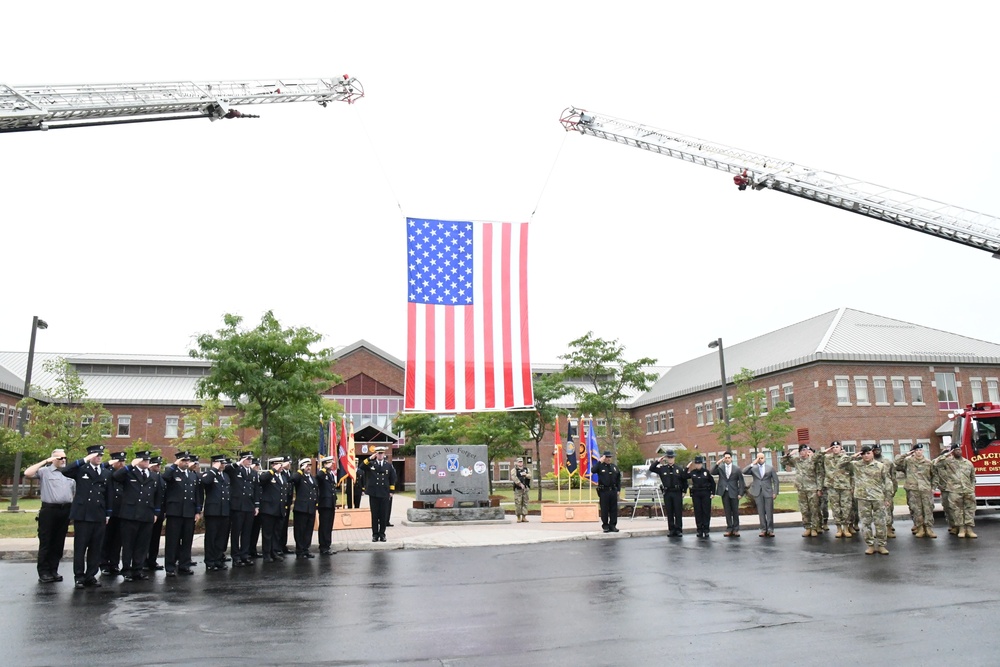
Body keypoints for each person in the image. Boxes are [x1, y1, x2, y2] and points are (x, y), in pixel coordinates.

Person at [57, 444, 114, 588]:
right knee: (80, 547)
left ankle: (91, 575)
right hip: (83, 514)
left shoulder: (106, 473)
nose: (99, 458)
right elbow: (65, 470)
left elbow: (109, 495)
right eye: (96, 455)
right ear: (90, 456)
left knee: (96, 547)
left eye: (101, 455)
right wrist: (83, 460)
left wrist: (108, 513)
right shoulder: (81, 469)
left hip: (99, 514)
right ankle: (79, 576)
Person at [23, 448, 75, 583]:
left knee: (58, 543)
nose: (63, 460)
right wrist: (45, 461)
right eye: (60, 458)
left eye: (65, 458)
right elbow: (27, 473)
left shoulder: (68, 473)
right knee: (46, 542)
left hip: (65, 510)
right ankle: (44, 572)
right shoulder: (45, 471)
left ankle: (53, 570)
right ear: (53, 459)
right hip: (49, 510)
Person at [113, 451, 160, 582]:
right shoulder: (129, 473)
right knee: (128, 544)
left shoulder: (154, 476)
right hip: (130, 514)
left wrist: (156, 512)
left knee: (142, 544)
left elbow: (157, 495)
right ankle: (127, 569)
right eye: (144, 460)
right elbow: (116, 476)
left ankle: (138, 569)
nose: (146, 462)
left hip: (146, 514)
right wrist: (129, 466)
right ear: (138, 461)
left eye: (148, 460)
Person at [839, 445, 892, 555]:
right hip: (863, 498)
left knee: (880, 522)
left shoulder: (880, 466)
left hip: (878, 497)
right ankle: (870, 545)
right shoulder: (856, 465)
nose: (866, 456)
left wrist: (887, 497)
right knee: (866, 523)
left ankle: (881, 545)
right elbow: (840, 464)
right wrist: (853, 456)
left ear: (872, 453)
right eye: (864, 454)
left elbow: (887, 482)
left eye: (868, 453)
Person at [161, 451, 202, 576]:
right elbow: (165, 477)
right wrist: (174, 465)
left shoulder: (192, 475)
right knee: (172, 541)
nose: (186, 463)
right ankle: (170, 567)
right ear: (178, 461)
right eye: (183, 460)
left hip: (189, 512)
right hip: (175, 513)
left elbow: (196, 494)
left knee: (187, 540)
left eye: (187, 461)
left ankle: (184, 565)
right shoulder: (173, 473)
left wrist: (197, 511)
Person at [934, 443, 977, 538]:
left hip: (968, 490)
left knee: (969, 510)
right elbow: (935, 464)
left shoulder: (968, 463)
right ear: (952, 451)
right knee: (957, 511)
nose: (958, 451)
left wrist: (972, 488)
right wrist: (945, 455)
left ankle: (969, 529)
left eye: (959, 450)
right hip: (954, 491)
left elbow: (973, 477)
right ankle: (961, 528)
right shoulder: (948, 462)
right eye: (956, 450)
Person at [813, 442, 854, 538]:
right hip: (832, 486)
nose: (835, 449)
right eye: (833, 447)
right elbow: (814, 458)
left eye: (837, 447)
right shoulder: (826, 458)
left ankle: (846, 527)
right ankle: (839, 528)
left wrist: (852, 486)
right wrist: (824, 451)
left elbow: (852, 473)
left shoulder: (846, 458)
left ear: (841, 448)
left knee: (846, 507)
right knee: (835, 508)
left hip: (845, 486)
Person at [224, 451, 258, 566]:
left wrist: (256, 505)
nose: (250, 461)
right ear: (242, 459)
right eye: (247, 459)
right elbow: (227, 469)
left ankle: (245, 554)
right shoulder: (235, 470)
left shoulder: (253, 473)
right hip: (237, 506)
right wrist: (238, 463)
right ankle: (236, 556)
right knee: (236, 532)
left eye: (251, 459)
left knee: (247, 532)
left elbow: (256, 490)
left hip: (249, 506)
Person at [895, 445, 936, 538]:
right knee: (916, 510)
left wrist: (933, 487)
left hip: (925, 489)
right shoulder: (908, 461)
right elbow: (896, 462)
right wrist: (906, 454)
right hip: (913, 489)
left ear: (923, 451)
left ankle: (929, 529)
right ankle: (920, 528)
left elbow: (935, 475)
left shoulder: (928, 462)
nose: (918, 452)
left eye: (920, 450)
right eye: (916, 450)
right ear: (913, 451)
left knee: (928, 509)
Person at [781, 445, 822, 537]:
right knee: (804, 509)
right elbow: (783, 462)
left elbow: (819, 474)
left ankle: (815, 528)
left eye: (805, 450)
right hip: (801, 488)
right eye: (801, 451)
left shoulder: (813, 460)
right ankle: (808, 528)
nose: (803, 452)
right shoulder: (797, 461)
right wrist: (789, 454)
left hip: (812, 488)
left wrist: (819, 488)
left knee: (814, 509)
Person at [200, 454, 232, 571]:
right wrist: (214, 468)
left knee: (221, 537)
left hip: (224, 511)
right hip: (213, 512)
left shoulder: (226, 476)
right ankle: (210, 561)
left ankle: (218, 559)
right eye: (221, 463)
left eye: (224, 463)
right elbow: (205, 481)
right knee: (211, 538)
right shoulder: (209, 474)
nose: (223, 465)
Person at [100, 451, 127, 577]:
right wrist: (108, 463)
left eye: (123, 461)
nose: (122, 464)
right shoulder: (107, 472)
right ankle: (104, 564)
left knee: (118, 540)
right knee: (106, 539)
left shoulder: (123, 475)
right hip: (108, 512)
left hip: (121, 512)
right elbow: (100, 468)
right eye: (119, 461)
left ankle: (114, 564)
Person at [360, 446, 396, 542]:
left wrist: (391, 491)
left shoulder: (388, 465)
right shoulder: (371, 464)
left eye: (381, 453)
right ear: (376, 454)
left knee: (383, 515)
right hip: (374, 493)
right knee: (375, 515)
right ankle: (375, 534)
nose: (380, 455)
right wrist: (369, 458)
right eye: (378, 453)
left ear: (384, 454)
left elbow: (392, 479)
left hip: (384, 493)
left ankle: (382, 534)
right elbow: (361, 466)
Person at [649, 450, 687, 537]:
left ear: (674, 458)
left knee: (678, 512)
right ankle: (671, 529)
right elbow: (651, 468)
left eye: (672, 457)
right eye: (669, 457)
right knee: (669, 512)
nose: (670, 459)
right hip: (667, 492)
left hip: (677, 492)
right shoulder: (662, 468)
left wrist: (684, 491)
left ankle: (678, 530)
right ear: (666, 458)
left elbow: (684, 481)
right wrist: (658, 461)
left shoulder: (679, 469)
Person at [257, 457, 289, 561]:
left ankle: (274, 552)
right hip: (269, 510)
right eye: (278, 465)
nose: (281, 466)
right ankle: (266, 554)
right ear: (273, 465)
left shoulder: (282, 476)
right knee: (267, 534)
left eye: (281, 464)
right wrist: (273, 470)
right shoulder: (269, 475)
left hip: (279, 509)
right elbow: (262, 479)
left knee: (276, 533)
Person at [710, 451, 746, 537]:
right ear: (724, 459)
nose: (727, 459)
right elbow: (712, 472)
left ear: (731, 458)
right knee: (727, 511)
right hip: (724, 492)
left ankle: (736, 529)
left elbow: (741, 482)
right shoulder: (721, 468)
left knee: (735, 511)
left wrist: (741, 493)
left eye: (728, 458)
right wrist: (717, 463)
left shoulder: (736, 469)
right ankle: (729, 528)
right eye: (725, 458)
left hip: (734, 492)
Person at [744, 452, 779, 537]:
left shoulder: (770, 468)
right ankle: (763, 529)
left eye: (762, 458)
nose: (760, 460)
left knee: (769, 511)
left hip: (768, 492)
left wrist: (775, 492)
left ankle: (770, 529)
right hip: (758, 492)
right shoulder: (754, 468)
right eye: (759, 458)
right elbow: (744, 471)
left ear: (765, 458)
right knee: (761, 511)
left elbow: (776, 481)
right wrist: (753, 463)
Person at [290, 458, 318, 558]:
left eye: (310, 466)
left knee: (308, 530)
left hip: (310, 508)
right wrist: (300, 470)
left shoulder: (312, 477)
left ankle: (306, 549)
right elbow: (293, 479)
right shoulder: (299, 477)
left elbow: (315, 490)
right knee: (300, 530)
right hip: (301, 508)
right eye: (306, 466)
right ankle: (299, 550)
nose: (309, 468)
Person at [143, 456, 166, 572]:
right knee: (145, 538)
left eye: (159, 465)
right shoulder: (146, 476)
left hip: (159, 512)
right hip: (148, 512)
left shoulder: (160, 478)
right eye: (156, 465)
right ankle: (143, 561)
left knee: (155, 539)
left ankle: (152, 560)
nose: (158, 467)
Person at [872, 444, 898, 538]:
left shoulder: (888, 462)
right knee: (877, 510)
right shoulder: (870, 462)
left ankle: (889, 528)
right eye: (875, 450)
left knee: (888, 509)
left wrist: (894, 488)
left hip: (887, 488)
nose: (877, 451)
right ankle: (879, 530)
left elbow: (893, 476)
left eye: (878, 449)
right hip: (875, 489)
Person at [592, 451, 622, 533]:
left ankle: (613, 525)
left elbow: (618, 479)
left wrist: (618, 489)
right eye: (607, 457)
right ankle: (605, 525)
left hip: (613, 490)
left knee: (613, 509)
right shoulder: (600, 466)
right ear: (604, 458)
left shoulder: (614, 467)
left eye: (610, 457)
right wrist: (599, 461)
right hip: (604, 491)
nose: (608, 459)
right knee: (604, 509)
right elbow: (593, 470)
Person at [685, 456, 714, 538]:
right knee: (698, 512)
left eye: (699, 463)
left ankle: (706, 530)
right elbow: (684, 476)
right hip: (696, 493)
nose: (698, 465)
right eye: (696, 463)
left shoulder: (706, 472)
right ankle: (699, 530)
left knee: (706, 512)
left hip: (705, 493)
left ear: (702, 464)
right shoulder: (693, 472)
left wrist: (713, 493)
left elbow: (712, 483)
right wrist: (687, 467)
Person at [315, 455, 338, 555]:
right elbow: (318, 478)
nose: (331, 465)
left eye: (332, 463)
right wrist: (324, 468)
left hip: (331, 503)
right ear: (325, 464)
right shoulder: (322, 474)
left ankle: (327, 545)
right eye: (329, 463)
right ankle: (323, 546)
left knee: (329, 526)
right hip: (324, 504)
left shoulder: (330, 474)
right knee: (324, 526)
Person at [511, 457, 532, 523]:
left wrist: (526, 475)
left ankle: (524, 516)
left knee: (525, 502)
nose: (520, 463)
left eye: (521, 462)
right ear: (517, 463)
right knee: (518, 502)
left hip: (525, 489)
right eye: (519, 462)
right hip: (518, 489)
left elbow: (530, 476)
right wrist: (520, 484)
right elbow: (514, 477)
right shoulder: (514, 470)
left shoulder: (526, 469)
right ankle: (518, 517)